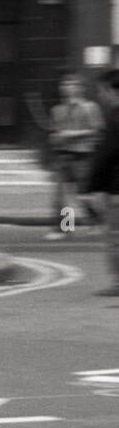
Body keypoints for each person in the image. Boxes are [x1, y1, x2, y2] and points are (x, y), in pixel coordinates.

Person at [45, 71, 106, 240]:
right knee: (62, 196)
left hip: (83, 156)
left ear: (80, 88)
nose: (66, 88)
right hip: (63, 156)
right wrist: (55, 138)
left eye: (71, 84)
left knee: (83, 196)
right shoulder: (57, 110)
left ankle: (97, 222)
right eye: (64, 84)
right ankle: (65, 229)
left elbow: (96, 131)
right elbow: (54, 132)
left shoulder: (90, 107)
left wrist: (70, 135)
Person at [85, 68, 119, 295]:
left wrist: (93, 187)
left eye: (101, 91)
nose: (100, 96)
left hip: (116, 189)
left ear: (110, 90)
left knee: (115, 237)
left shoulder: (114, 117)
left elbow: (106, 154)